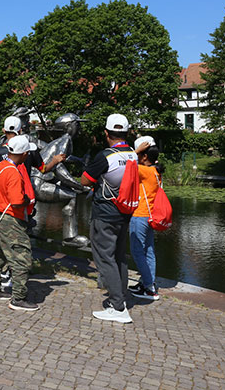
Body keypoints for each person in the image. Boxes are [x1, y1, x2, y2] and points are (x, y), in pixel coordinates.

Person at [82, 113, 138, 324]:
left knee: (104, 258)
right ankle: (122, 295)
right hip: (124, 212)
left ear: (106, 133)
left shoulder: (106, 156)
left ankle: (118, 306)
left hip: (105, 213)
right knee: (119, 256)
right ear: (126, 132)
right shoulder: (132, 154)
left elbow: (86, 180)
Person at [0, 135, 40, 311]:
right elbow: (16, 201)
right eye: (27, 153)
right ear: (23, 154)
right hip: (11, 219)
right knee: (21, 257)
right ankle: (18, 298)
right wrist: (27, 200)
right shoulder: (14, 172)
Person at [129, 136, 162, 301]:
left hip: (139, 215)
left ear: (144, 156)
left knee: (137, 252)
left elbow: (127, 164)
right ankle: (147, 283)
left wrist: (135, 151)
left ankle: (149, 287)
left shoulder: (143, 170)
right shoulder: (156, 171)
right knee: (149, 251)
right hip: (150, 216)